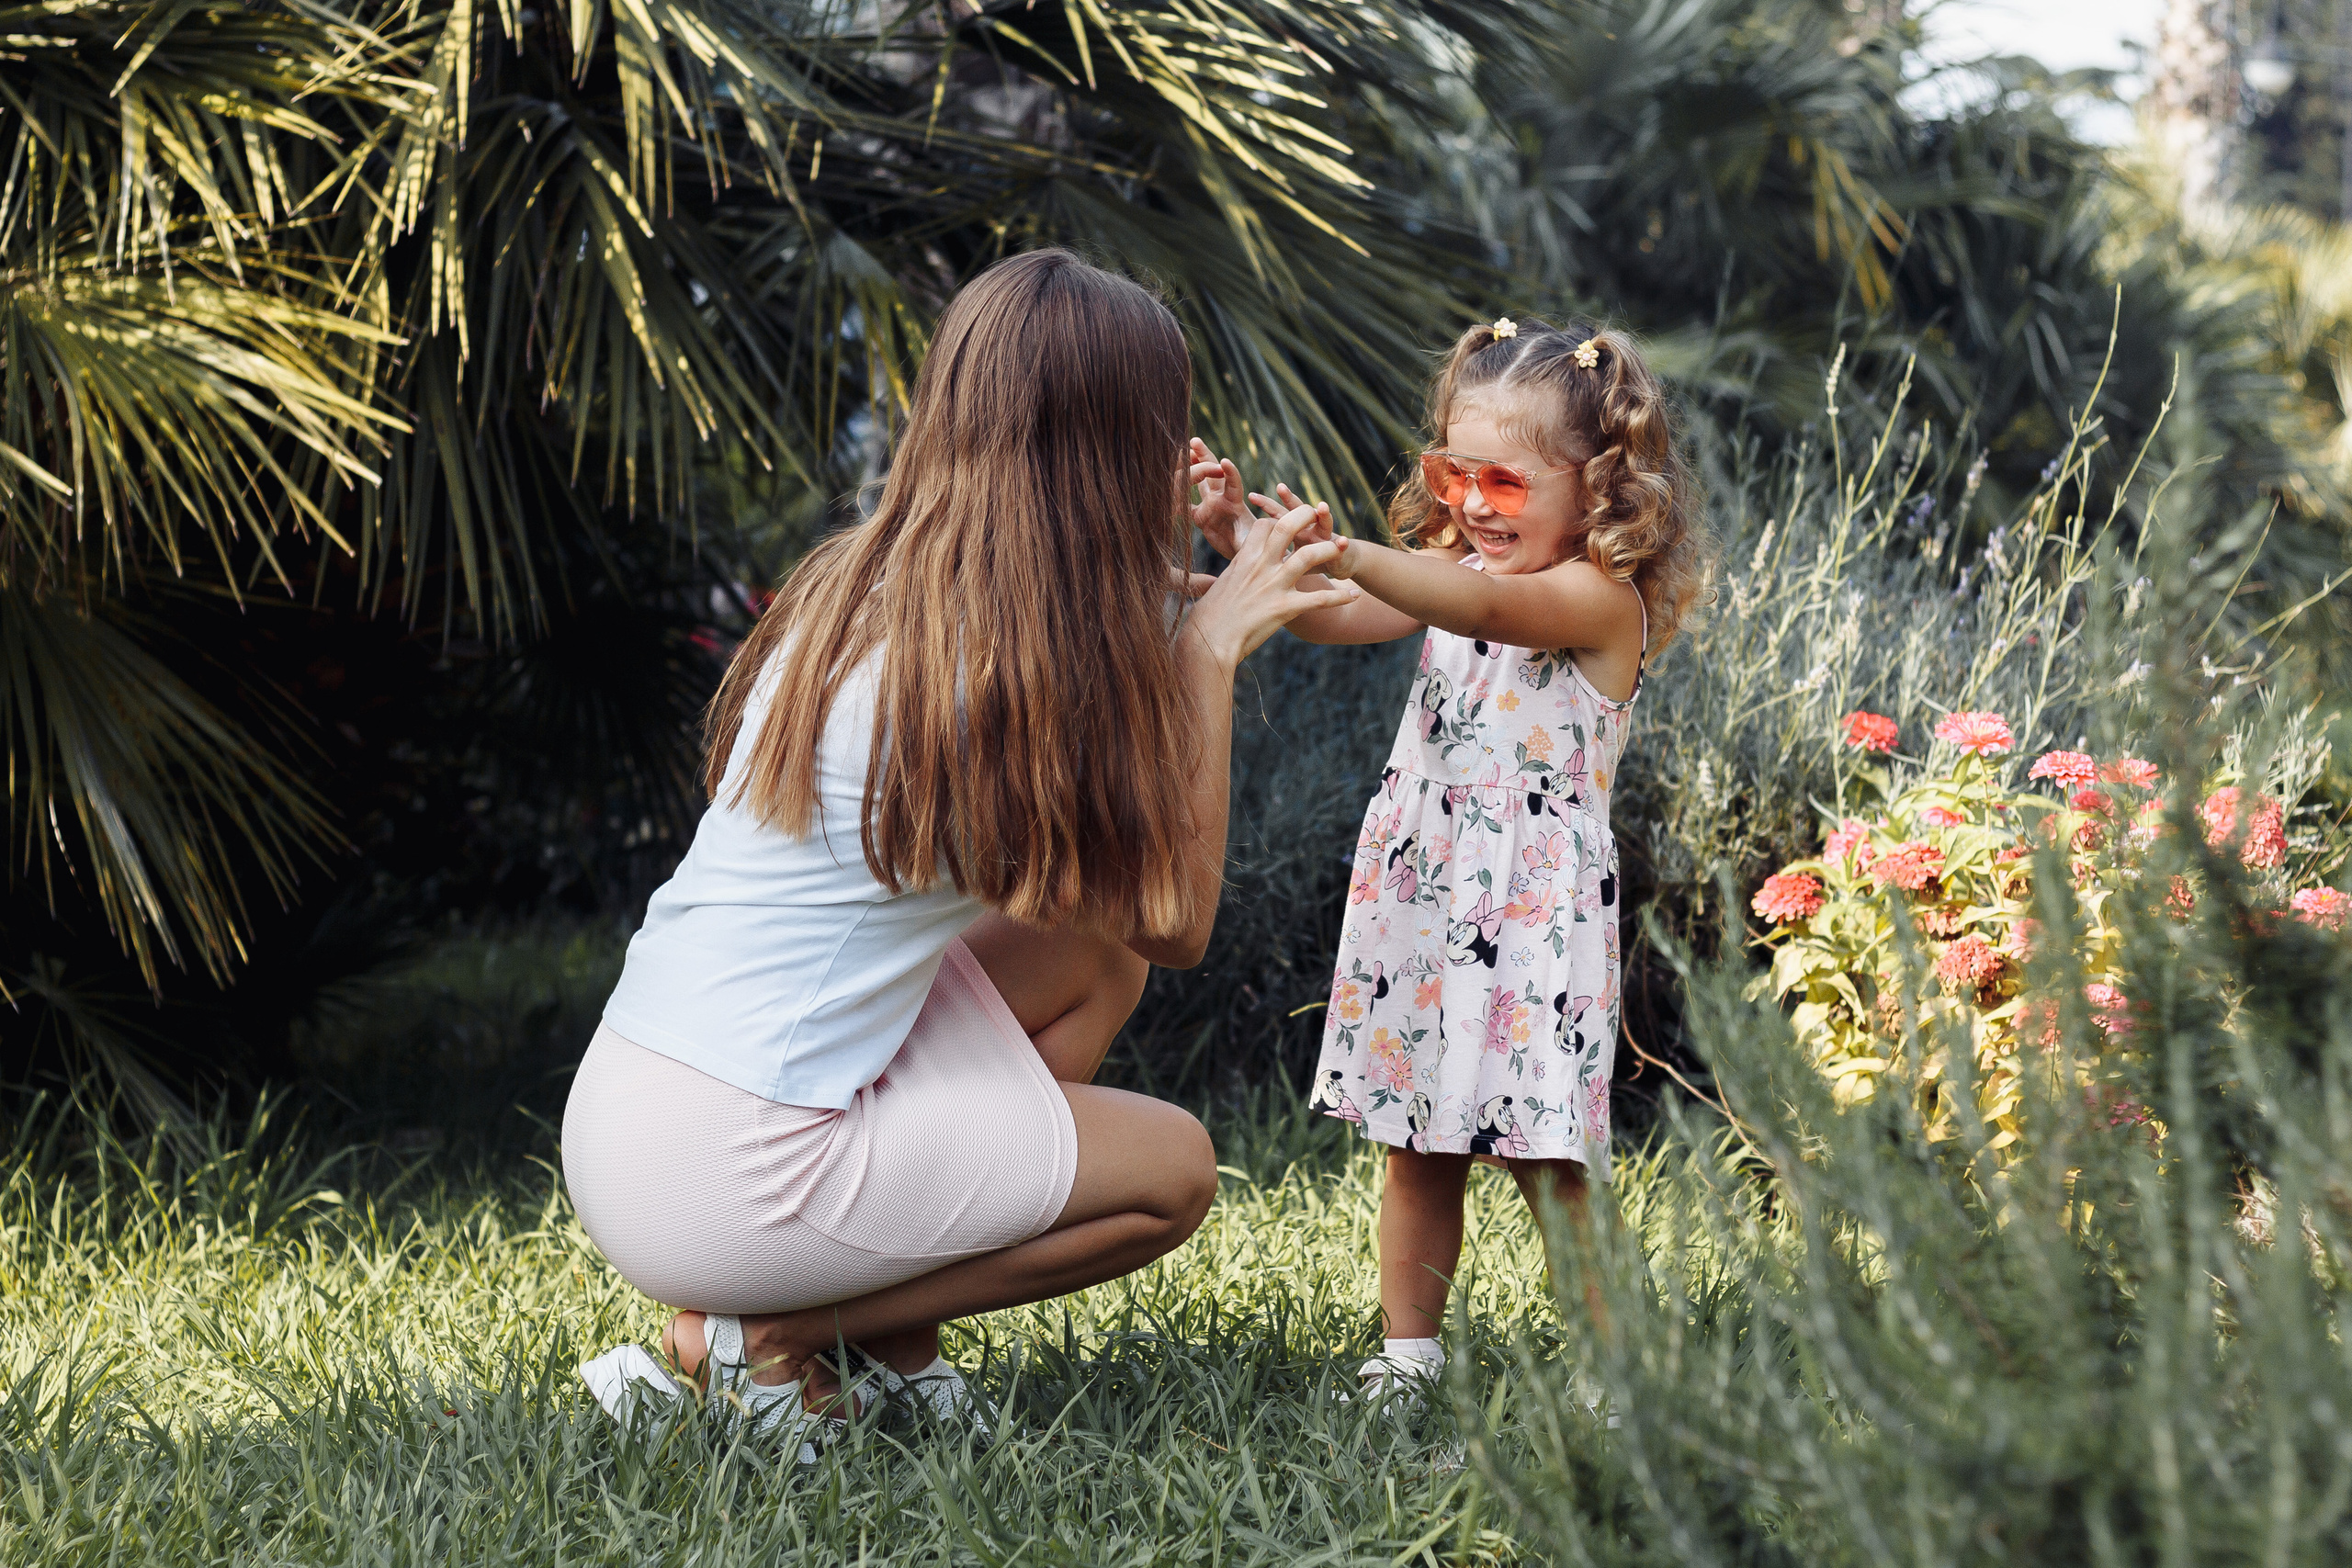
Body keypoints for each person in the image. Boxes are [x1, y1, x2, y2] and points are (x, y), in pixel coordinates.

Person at [564, 249, 1359, 1447]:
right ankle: (770, 1338)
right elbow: (1180, 913)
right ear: (1115, 448)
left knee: (1090, 957)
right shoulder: (977, 683)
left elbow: (1117, 912)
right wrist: (1209, 654)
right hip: (726, 1166)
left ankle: (874, 1349)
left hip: (642, 1102)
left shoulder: (881, 587)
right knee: (1172, 1170)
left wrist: (1193, 589)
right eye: (1164, 430)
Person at [1193, 315, 1708, 1401]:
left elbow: (1481, 606)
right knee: (1415, 1136)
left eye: (1506, 484)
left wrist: (1339, 549)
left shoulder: (1592, 599)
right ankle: (1407, 1356)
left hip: (1528, 910)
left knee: (1545, 1155)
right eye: (1452, 472)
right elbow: (1332, 618)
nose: (1473, 503)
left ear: (1602, 484)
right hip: (1427, 892)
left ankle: (1613, 1371)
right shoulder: (1448, 563)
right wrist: (1251, 545)